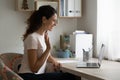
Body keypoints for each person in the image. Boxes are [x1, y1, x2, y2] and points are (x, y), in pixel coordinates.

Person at [18, 5, 76, 80]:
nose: (55, 24)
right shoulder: (32, 38)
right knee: (69, 77)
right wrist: (48, 48)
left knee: (67, 75)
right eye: (53, 20)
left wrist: (55, 62)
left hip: (36, 75)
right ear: (44, 19)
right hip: (29, 76)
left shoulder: (43, 36)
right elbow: (34, 68)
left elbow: (45, 55)